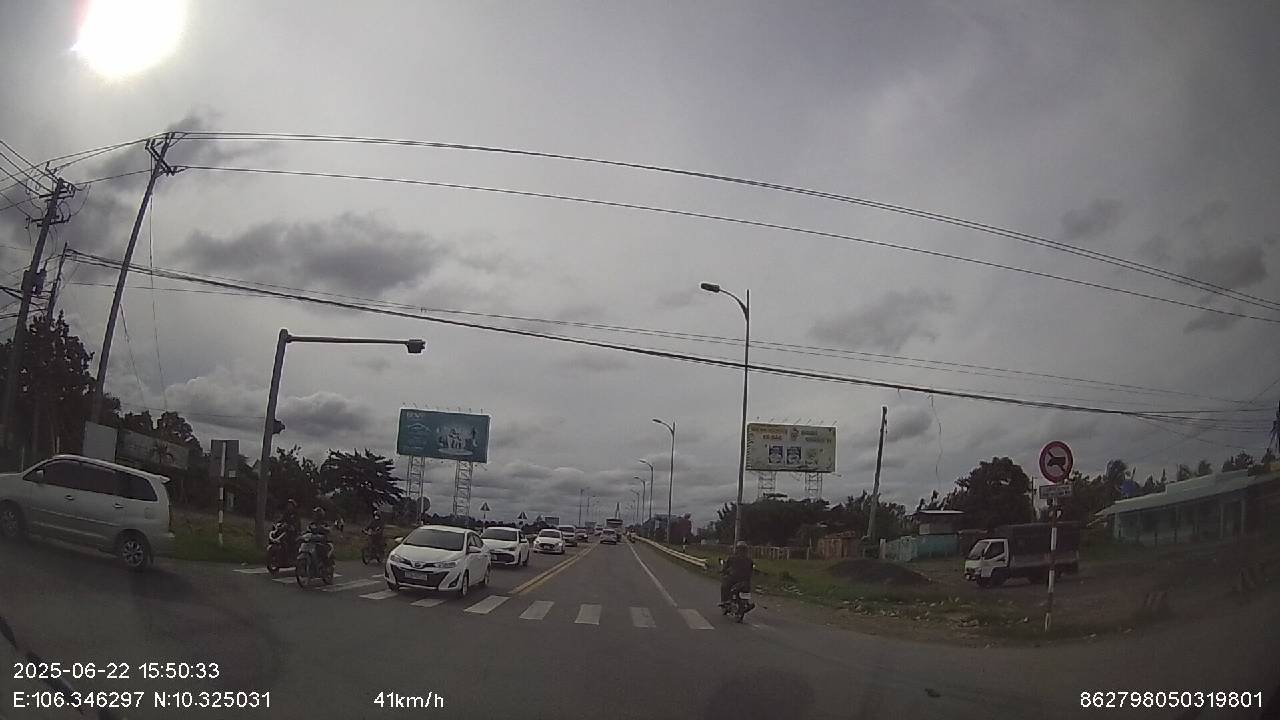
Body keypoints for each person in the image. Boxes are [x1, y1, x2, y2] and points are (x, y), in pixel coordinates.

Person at [719, 541, 755, 610]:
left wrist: (722, 571)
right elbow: (751, 571)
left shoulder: (732, 558)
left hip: (734, 579)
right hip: (746, 581)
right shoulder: (749, 560)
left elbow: (725, 568)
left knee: (724, 586)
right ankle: (746, 603)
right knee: (747, 588)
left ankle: (725, 601)